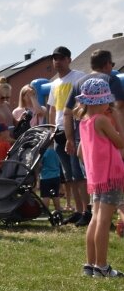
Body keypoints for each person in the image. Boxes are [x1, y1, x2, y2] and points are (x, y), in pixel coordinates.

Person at [63, 48, 124, 227]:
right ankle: (119, 215)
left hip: (85, 141)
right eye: (112, 65)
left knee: (90, 184)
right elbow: (119, 106)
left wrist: (69, 138)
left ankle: (88, 212)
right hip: (109, 141)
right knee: (114, 186)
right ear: (107, 65)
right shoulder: (110, 79)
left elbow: (67, 112)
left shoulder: (79, 81)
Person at [74, 78, 124, 278]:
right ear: (101, 102)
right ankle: (102, 266)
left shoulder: (84, 122)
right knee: (104, 220)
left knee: (96, 218)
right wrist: (118, 119)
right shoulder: (102, 120)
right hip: (111, 175)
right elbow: (120, 141)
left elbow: (79, 152)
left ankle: (91, 264)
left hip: (96, 177)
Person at [46, 46, 87, 226]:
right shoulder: (54, 83)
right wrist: (51, 130)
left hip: (76, 128)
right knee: (69, 176)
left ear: (69, 59)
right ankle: (78, 211)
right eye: (55, 58)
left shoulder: (79, 76)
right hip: (59, 131)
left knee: (79, 173)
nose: (57, 61)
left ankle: (87, 211)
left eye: (61, 58)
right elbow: (52, 109)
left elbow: (85, 101)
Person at [40, 145, 62, 213]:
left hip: (45, 177)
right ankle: (58, 209)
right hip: (56, 176)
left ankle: (45, 210)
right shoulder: (56, 151)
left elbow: (40, 164)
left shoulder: (44, 152)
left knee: (45, 195)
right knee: (55, 195)